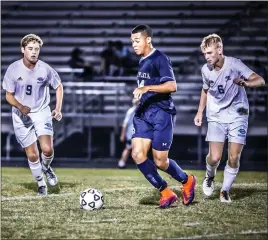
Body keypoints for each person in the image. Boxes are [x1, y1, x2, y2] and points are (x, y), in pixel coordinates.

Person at [130, 25, 196, 208]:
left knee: (160, 161)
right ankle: (165, 191)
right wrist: (141, 96)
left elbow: (172, 86)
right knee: (137, 154)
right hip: (144, 113)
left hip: (162, 113)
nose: (134, 45)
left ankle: (187, 179)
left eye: (137, 41)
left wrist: (146, 88)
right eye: (132, 42)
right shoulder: (142, 60)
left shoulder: (160, 58)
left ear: (148, 40)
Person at [194, 33, 265, 203]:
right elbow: (205, 90)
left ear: (220, 49)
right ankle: (209, 177)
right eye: (204, 54)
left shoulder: (234, 64)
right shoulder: (205, 70)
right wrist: (199, 111)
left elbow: (260, 80)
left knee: (233, 157)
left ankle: (224, 191)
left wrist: (246, 83)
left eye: (209, 53)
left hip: (238, 115)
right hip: (216, 116)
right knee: (215, 157)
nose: (207, 57)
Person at [2, 34, 64, 196]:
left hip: (41, 111)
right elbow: (8, 95)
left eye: (37, 49)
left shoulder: (45, 68)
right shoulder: (13, 69)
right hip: (21, 115)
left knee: (47, 149)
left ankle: (47, 168)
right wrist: (20, 106)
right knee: (32, 154)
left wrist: (57, 109)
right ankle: (41, 184)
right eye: (30, 49)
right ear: (23, 50)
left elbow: (58, 87)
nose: (34, 52)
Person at [118, 98, 139, 169]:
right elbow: (125, 124)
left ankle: (122, 163)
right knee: (129, 148)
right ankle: (121, 162)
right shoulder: (131, 111)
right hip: (132, 134)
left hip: (137, 133)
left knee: (132, 149)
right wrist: (122, 134)